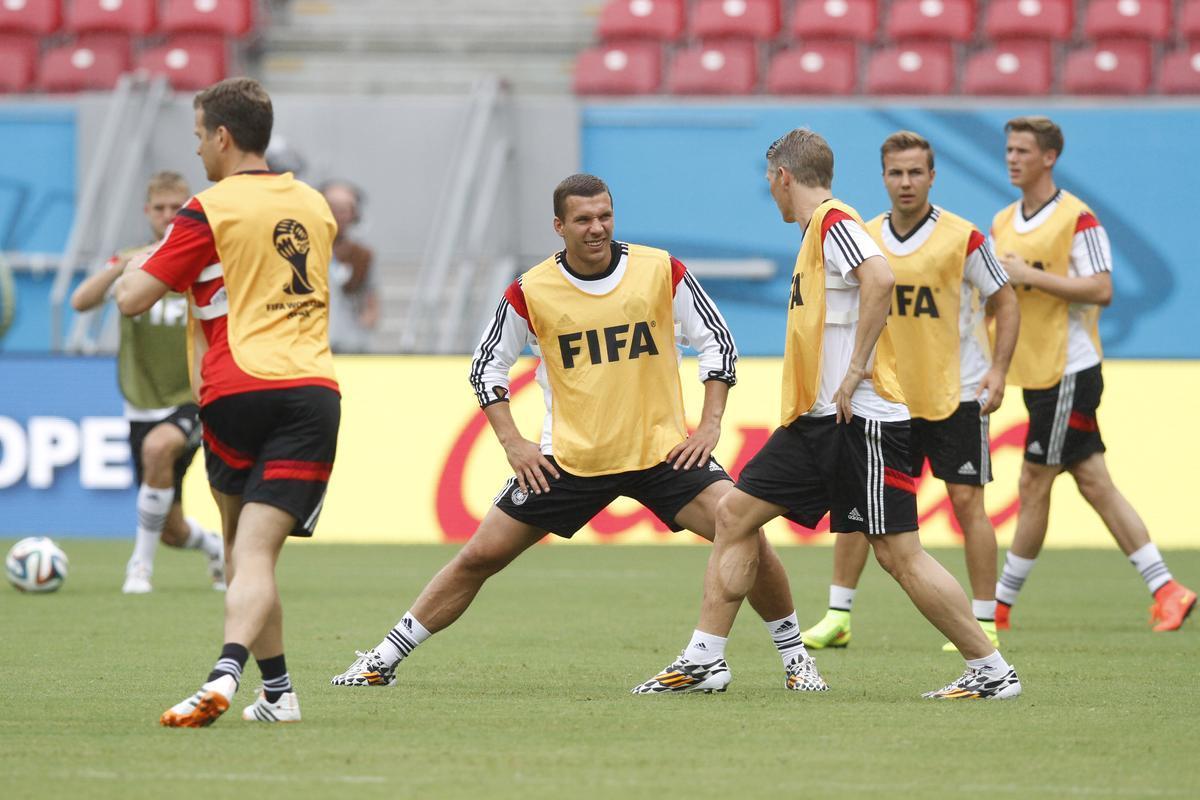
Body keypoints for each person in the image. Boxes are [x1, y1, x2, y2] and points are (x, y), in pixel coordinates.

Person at [330, 173, 828, 694]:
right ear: (559, 226)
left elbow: (718, 343)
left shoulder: (660, 270)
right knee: (479, 556)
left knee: (743, 528)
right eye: (584, 219)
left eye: (605, 216)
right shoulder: (530, 290)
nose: (597, 228)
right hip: (571, 460)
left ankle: (796, 661)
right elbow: (486, 370)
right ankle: (382, 659)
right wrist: (515, 444)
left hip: (660, 453)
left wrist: (709, 424)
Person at [635, 128, 1023, 700]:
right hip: (816, 422)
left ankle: (991, 670)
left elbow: (881, 278)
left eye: (770, 181)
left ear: (783, 177)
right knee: (734, 515)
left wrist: (856, 368)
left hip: (860, 422)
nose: (770, 191)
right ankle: (705, 659)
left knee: (899, 555)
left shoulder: (835, 222)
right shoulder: (820, 232)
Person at [114, 78, 341, 726]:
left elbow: (132, 298)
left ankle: (224, 673)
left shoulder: (208, 208)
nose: (196, 152)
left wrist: (148, 261)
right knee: (252, 554)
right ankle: (278, 695)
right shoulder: (314, 205)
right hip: (313, 390)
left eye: (197, 138)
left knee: (248, 550)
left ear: (222, 136)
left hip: (237, 389)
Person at [801, 131, 1020, 654]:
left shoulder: (963, 237)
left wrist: (999, 370)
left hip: (955, 394)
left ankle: (986, 619)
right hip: (885, 397)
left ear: (932, 176)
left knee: (968, 503)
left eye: (915, 172)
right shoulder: (864, 235)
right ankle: (838, 615)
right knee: (858, 506)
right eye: (896, 172)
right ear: (883, 177)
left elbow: (1005, 301)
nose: (905, 182)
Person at [992, 116, 1195, 632]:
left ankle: (999, 607)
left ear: (1049, 157)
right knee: (1095, 483)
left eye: (1022, 150)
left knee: (1033, 481)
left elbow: (1102, 288)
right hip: (1036, 372)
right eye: (1009, 149)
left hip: (1069, 370)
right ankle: (1167, 589)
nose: (1012, 157)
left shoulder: (1078, 219)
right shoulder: (1003, 222)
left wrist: (1029, 275)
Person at [70, 171, 225, 595]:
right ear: (147, 212)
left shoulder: (201, 258)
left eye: (177, 208)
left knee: (160, 446)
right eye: (160, 208)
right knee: (173, 530)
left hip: (190, 397)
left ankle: (139, 567)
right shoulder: (134, 262)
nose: (168, 215)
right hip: (141, 402)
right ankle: (214, 547)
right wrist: (123, 264)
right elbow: (80, 301)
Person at [321, 180, 380, 353]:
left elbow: (372, 301)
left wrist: (364, 323)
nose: (337, 216)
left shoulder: (362, 255)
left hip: (351, 345)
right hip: (315, 346)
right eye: (331, 208)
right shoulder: (306, 251)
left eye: (343, 210)